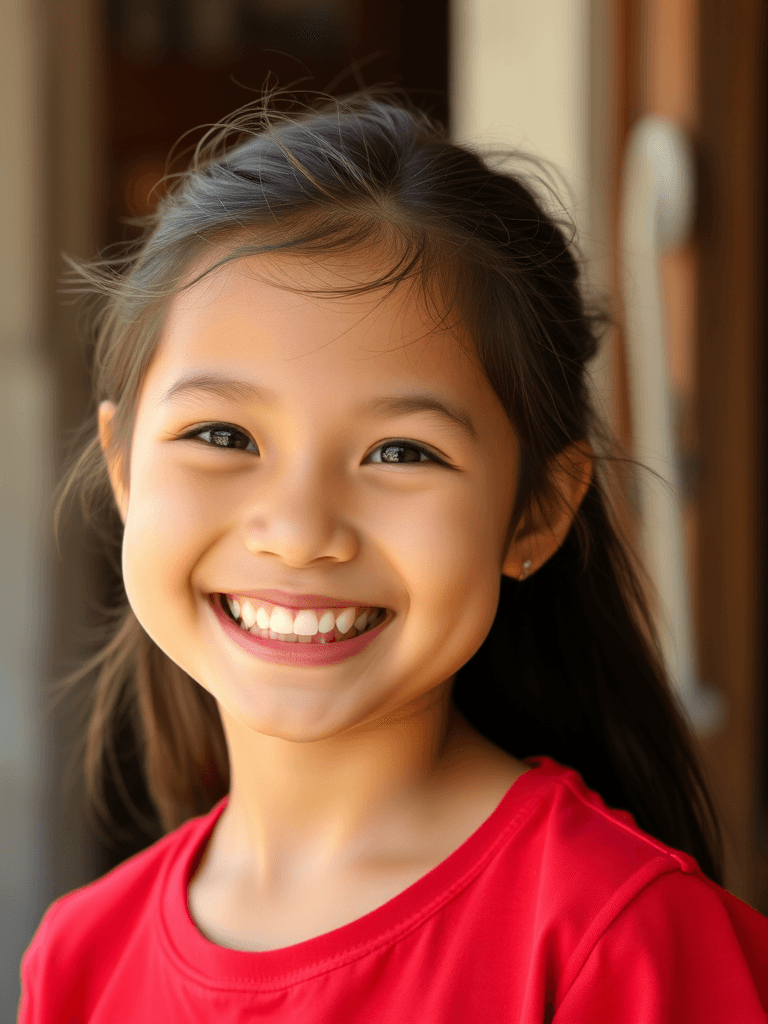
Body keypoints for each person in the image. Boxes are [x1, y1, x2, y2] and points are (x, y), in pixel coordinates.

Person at [18, 86, 768, 1022]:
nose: (297, 531)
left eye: (401, 453)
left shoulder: (614, 944)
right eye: (222, 435)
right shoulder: (81, 958)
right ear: (123, 466)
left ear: (537, 510)